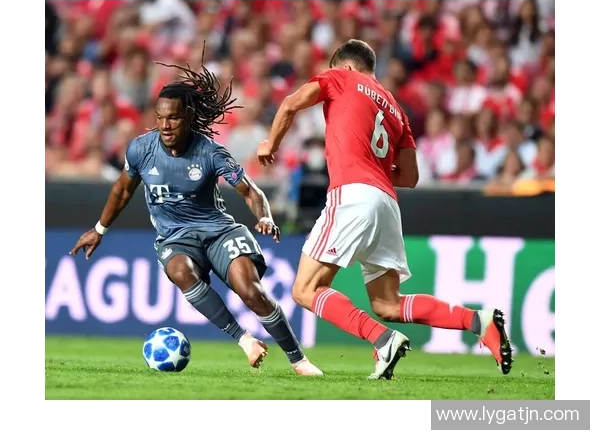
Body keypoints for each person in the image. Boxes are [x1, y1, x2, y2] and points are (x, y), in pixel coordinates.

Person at [257, 39, 513, 379]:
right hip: (386, 203)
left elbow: (291, 103)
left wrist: (270, 143)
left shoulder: (341, 77)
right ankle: (478, 321)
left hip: (352, 195)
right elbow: (410, 177)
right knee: (388, 303)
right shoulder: (396, 110)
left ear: (346, 66)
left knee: (306, 289)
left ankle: (383, 339)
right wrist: (372, 163)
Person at [70, 59, 322, 376]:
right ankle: (244, 340)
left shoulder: (210, 152)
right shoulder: (141, 150)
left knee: (250, 291)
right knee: (179, 270)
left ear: (188, 116)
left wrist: (266, 217)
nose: (165, 125)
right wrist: (99, 229)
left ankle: (299, 360)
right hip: (175, 237)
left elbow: (250, 191)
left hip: (219, 231)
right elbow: (122, 190)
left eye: (173, 118)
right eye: (160, 117)